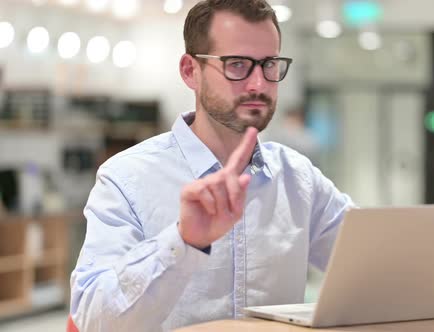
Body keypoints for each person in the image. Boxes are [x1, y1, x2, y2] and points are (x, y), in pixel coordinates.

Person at [69, 0, 354, 331]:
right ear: (191, 71)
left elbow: (375, 263)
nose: (258, 84)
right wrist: (182, 242)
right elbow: (92, 321)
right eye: (236, 65)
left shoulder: (298, 178)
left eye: (269, 64)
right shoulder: (127, 178)